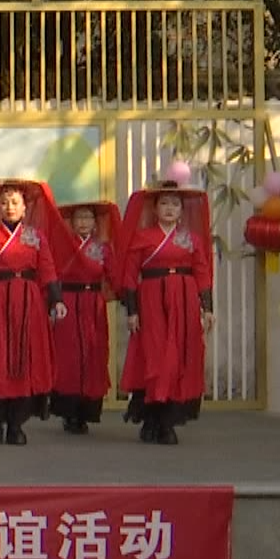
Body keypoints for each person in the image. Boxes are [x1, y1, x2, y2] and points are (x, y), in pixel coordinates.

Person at [0, 179, 75, 446]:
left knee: (26, 360)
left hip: (29, 302)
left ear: (25, 207)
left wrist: (56, 301)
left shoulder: (36, 237)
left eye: (15, 202)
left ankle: (16, 424)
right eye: (4, 202)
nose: (9, 207)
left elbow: (48, 271)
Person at [115, 181, 215, 445]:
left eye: (175, 204)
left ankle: (167, 421)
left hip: (184, 300)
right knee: (156, 356)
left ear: (182, 210)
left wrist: (208, 308)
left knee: (179, 357)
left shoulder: (191, 239)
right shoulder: (142, 237)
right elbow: (129, 276)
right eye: (164, 203)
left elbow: (202, 273)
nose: (169, 209)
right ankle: (152, 418)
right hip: (151, 300)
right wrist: (132, 311)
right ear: (155, 209)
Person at [50, 200, 123, 435]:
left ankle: (87, 411)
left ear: (95, 223)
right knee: (69, 355)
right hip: (68, 303)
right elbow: (51, 274)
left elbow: (114, 276)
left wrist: (130, 298)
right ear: (71, 223)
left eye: (88, 218)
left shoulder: (103, 249)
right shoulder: (62, 247)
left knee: (94, 352)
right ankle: (69, 411)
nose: (83, 222)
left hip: (93, 304)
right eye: (78, 218)